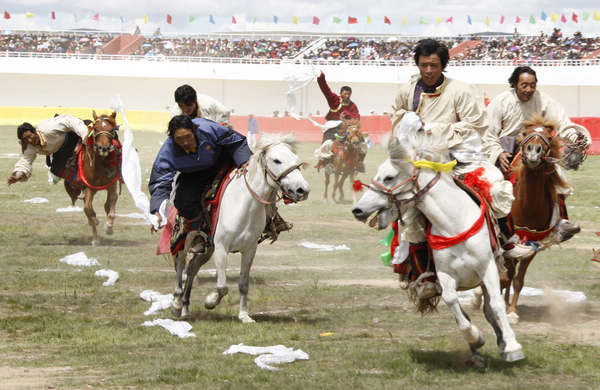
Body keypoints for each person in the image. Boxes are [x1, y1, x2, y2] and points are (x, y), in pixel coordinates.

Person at [390, 39, 534, 292]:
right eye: (423, 65)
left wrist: (438, 131)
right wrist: (408, 123)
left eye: (433, 65)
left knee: (493, 182)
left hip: (458, 160)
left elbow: (476, 124)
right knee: (406, 211)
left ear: (443, 65)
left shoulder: (462, 90)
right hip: (419, 165)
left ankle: (506, 240)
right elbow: (396, 118)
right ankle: (423, 273)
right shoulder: (407, 91)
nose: (428, 71)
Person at [483, 66, 592, 242]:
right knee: (490, 184)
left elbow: (563, 122)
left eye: (532, 85)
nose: (529, 89)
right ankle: (489, 224)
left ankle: (560, 223)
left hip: (537, 147)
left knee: (558, 178)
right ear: (515, 84)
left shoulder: (543, 100)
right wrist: (498, 152)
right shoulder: (501, 101)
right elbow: (488, 132)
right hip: (506, 149)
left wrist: (575, 141)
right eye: (524, 85)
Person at [149, 115, 251, 255]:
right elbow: (160, 181)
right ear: (172, 138)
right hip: (194, 174)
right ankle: (199, 234)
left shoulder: (209, 129)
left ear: (194, 130)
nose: (185, 142)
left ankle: (272, 219)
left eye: (188, 137)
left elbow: (236, 141)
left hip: (224, 162)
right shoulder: (168, 151)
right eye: (179, 139)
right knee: (183, 201)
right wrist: (157, 210)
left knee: (254, 181)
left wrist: (244, 161)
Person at [7, 115, 89, 194]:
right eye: (25, 139)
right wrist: (18, 175)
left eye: (29, 136)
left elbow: (69, 120)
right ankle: (81, 181)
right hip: (60, 151)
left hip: (72, 137)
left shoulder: (48, 128)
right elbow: (25, 161)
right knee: (56, 169)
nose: (29, 140)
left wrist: (85, 136)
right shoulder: (30, 146)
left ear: (34, 131)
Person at [316, 71, 365, 171]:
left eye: (349, 94)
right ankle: (328, 164)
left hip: (347, 129)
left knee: (364, 142)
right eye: (345, 93)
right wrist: (321, 78)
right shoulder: (334, 100)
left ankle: (359, 162)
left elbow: (356, 118)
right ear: (341, 93)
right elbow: (326, 90)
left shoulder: (352, 105)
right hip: (333, 128)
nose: (347, 96)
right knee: (327, 144)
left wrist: (350, 121)